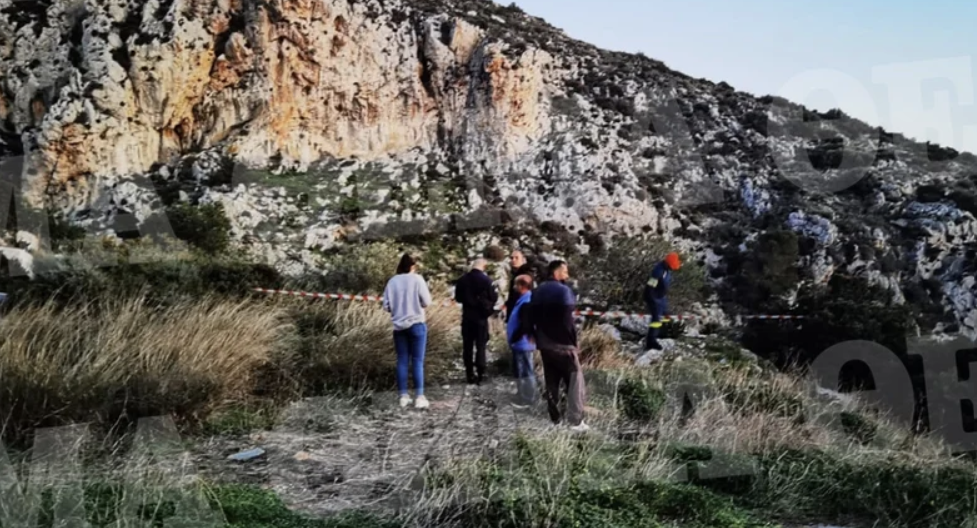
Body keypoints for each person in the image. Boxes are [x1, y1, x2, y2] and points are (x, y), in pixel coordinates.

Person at [527, 260, 589, 432]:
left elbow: (531, 316)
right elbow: (567, 320)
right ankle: (576, 421)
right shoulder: (564, 292)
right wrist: (573, 342)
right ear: (556, 272)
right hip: (563, 344)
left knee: (552, 380)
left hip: (544, 343)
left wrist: (535, 335)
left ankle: (555, 418)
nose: (567, 275)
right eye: (565, 271)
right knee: (575, 381)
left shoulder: (538, 291)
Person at [382, 254, 432, 409]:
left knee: (402, 361)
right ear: (413, 266)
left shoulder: (392, 281)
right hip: (416, 323)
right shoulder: (417, 279)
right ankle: (419, 397)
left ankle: (403, 396)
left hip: (398, 326)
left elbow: (386, 306)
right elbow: (427, 301)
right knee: (417, 361)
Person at [454, 258, 498, 385]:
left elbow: (458, 298)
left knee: (467, 346)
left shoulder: (462, 280)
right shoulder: (487, 281)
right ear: (483, 266)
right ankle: (481, 373)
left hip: (467, 316)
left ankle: (469, 374)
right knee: (481, 345)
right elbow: (493, 297)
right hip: (481, 318)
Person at [506, 274, 538, 408]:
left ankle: (527, 399)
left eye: (516, 284)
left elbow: (525, 325)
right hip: (521, 343)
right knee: (521, 370)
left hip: (522, 343)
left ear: (522, 286)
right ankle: (522, 394)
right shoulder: (524, 300)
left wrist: (514, 338)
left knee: (526, 371)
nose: (514, 287)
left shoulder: (526, 301)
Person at [644, 252, 682, 351]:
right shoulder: (658, 271)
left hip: (661, 297)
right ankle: (651, 342)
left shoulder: (667, 270)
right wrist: (652, 300)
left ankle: (662, 334)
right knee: (656, 320)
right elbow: (650, 287)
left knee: (666, 316)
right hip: (654, 297)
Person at [504, 249, 538, 323]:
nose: (513, 260)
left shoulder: (525, 274)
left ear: (523, 259)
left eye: (516, 258)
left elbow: (524, 293)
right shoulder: (517, 272)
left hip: (521, 312)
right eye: (511, 258)